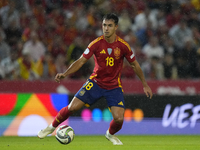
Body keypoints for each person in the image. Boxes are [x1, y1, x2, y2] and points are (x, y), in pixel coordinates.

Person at [38, 13, 153, 145]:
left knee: (119, 119)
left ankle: (110, 134)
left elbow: (135, 65)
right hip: (95, 83)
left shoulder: (123, 46)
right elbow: (81, 61)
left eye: (110, 25)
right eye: (104, 25)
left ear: (116, 27)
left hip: (114, 86)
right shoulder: (96, 44)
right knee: (72, 107)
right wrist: (65, 73)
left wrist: (144, 84)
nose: (106, 28)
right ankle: (51, 127)